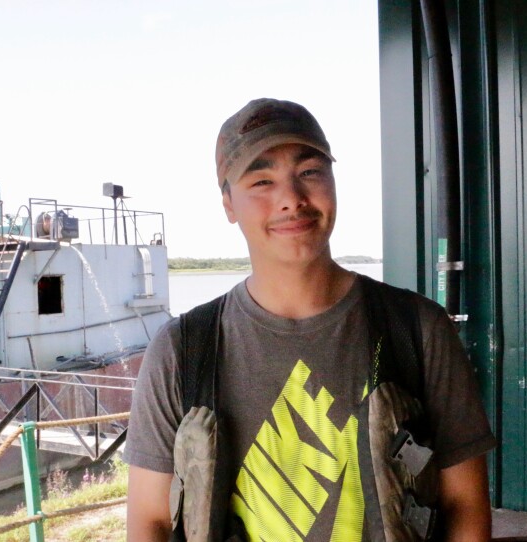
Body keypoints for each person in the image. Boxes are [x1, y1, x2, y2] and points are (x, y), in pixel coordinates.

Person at [124, 98, 496, 542]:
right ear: (228, 202)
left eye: (309, 172)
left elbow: (465, 505)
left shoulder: (417, 329)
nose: (291, 200)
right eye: (262, 180)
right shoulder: (183, 350)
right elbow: (150, 520)